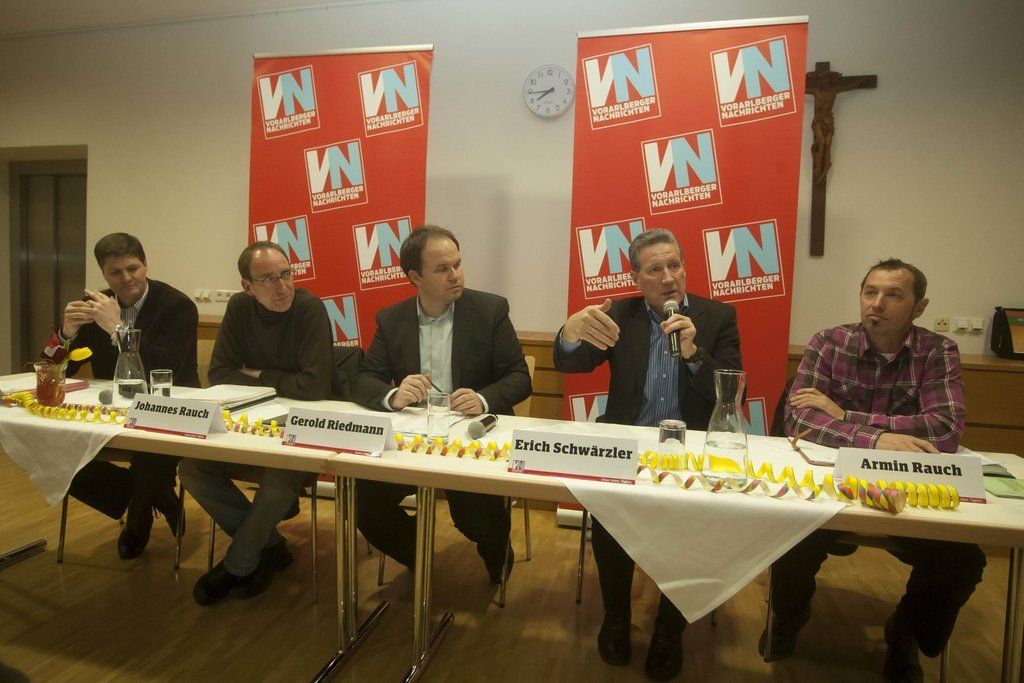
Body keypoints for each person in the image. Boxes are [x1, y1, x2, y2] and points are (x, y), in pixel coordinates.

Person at [763, 258, 985, 682]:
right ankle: (788, 615)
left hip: (909, 490)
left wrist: (846, 416)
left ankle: (904, 633)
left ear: (919, 307)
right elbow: (801, 420)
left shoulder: (938, 351)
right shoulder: (829, 343)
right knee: (788, 533)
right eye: (870, 292)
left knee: (961, 560)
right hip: (830, 483)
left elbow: (943, 429)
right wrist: (879, 439)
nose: (877, 303)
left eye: (893, 294)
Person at [554, 229, 742, 681]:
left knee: (687, 536)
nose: (668, 277)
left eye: (675, 265)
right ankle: (617, 619)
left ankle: (667, 633)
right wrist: (569, 333)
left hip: (689, 450)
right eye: (655, 269)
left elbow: (732, 389)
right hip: (627, 444)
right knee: (610, 523)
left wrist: (694, 353)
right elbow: (572, 363)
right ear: (636, 278)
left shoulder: (717, 316)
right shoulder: (620, 315)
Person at [351, 225, 532, 584]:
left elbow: (519, 377)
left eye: (458, 264)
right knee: (364, 504)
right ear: (415, 277)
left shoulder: (490, 310)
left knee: (475, 518)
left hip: (472, 438)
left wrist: (482, 398)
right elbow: (364, 379)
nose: (455, 275)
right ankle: (418, 556)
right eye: (442, 269)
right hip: (413, 442)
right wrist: (394, 395)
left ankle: (498, 556)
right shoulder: (392, 319)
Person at [179, 241, 333, 606]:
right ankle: (270, 546)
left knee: (278, 483)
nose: (282, 287)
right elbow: (219, 374)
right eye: (268, 279)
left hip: (300, 434)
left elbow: (314, 386)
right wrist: (284, 379)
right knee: (191, 469)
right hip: (249, 430)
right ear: (247, 286)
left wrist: (258, 373)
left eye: (286, 274)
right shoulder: (239, 307)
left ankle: (237, 565)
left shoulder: (309, 308)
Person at [60, 232, 199, 560]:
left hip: (171, 409)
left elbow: (166, 366)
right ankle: (154, 496)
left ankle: (139, 515)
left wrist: (118, 328)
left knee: (149, 461)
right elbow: (60, 372)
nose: (126, 278)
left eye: (133, 269)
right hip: (113, 410)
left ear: (145, 265)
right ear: (104, 274)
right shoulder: (96, 306)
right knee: (57, 452)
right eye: (116, 272)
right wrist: (67, 333)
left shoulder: (177, 306)